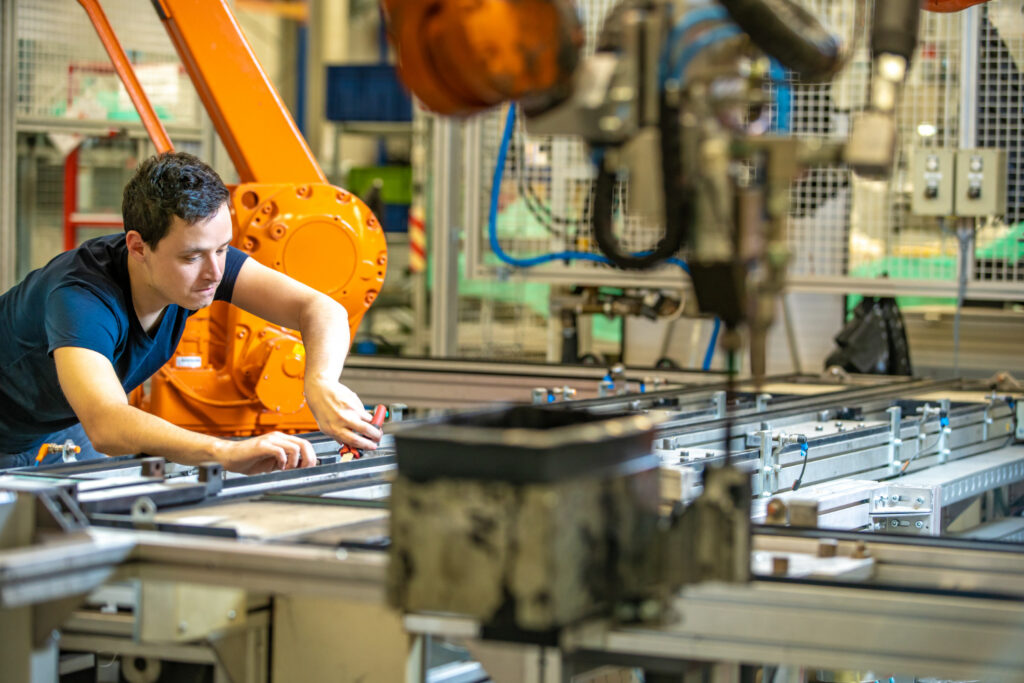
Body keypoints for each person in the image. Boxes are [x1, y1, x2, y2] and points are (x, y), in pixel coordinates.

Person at [0, 151, 381, 472]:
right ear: (137, 247)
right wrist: (223, 452)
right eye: (192, 256)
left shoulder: (202, 266)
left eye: (222, 249)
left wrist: (320, 382)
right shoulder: (81, 299)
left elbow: (320, 308)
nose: (216, 272)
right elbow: (106, 423)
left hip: (59, 423)